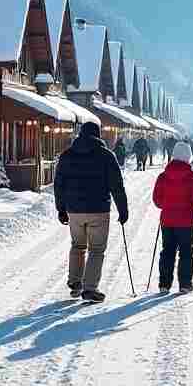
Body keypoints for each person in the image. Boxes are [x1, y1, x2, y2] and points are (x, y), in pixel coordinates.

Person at [53, 121, 129, 302]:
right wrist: (123, 209)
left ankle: (75, 282)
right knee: (96, 249)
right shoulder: (106, 156)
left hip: (74, 210)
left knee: (77, 245)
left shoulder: (67, 155)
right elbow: (117, 185)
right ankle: (89, 288)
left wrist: (61, 208)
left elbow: (59, 184)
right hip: (98, 209)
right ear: (98, 135)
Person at [153, 142, 193, 294]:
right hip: (186, 222)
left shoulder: (163, 176)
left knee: (167, 251)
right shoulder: (192, 177)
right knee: (186, 252)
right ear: (188, 156)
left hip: (167, 221)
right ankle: (185, 284)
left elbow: (157, 200)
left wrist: (167, 205)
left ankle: (164, 284)